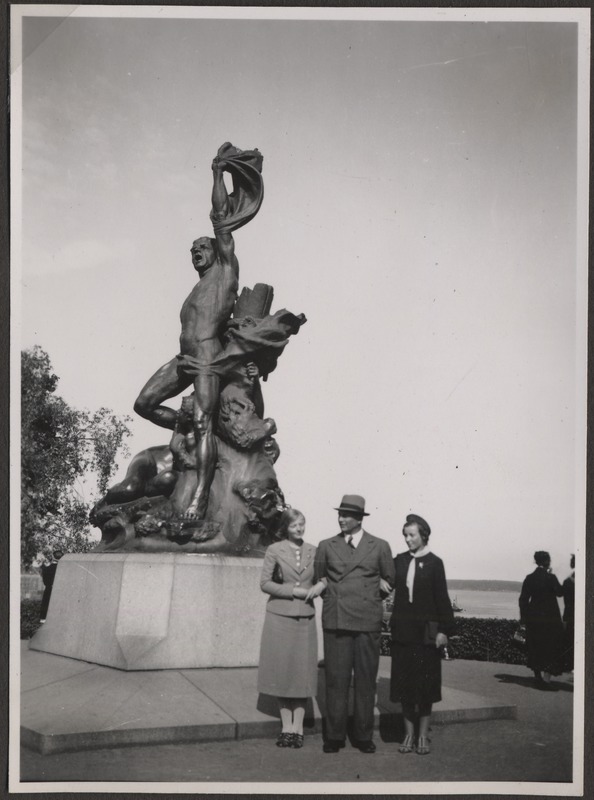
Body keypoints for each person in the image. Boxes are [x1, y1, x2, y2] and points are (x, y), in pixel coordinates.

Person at [134, 143, 264, 519]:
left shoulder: (225, 271)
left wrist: (217, 173)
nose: (196, 250)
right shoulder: (196, 288)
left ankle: (200, 496)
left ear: (216, 250)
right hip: (184, 359)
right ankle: (185, 425)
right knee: (143, 404)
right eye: (192, 249)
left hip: (208, 359)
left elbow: (220, 215)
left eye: (201, 246)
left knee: (205, 425)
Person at [314, 494, 395, 754]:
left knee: (365, 680)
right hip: (337, 619)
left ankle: (363, 736)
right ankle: (334, 736)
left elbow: (390, 578)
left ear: (359, 518)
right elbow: (320, 578)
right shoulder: (326, 546)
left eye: (346, 515)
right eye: (339, 514)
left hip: (367, 620)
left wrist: (381, 587)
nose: (341, 519)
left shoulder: (380, 546)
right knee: (336, 680)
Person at [257, 509, 326, 748]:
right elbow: (265, 583)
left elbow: (326, 577)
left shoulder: (315, 551)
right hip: (279, 617)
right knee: (283, 672)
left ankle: (298, 728)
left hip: (305, 618)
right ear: (286, 527)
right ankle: (286, 727)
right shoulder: (274, 550)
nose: (299, 528)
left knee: (302, 673)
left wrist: (320, 585)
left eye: (302, 524)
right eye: (295, 525)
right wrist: (292, 591)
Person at [389, 514, 454, 756]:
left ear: (423, 535)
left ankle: (423, 735)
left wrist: (444, 631)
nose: (407, 539)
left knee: (425, 686)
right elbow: (385, 583)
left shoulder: (436, 563)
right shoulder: (399, 561)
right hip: (403, 633)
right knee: (405, 686)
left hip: (427, 635)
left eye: (412, 535)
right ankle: (408, 733)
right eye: (405, 535)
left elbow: (442, 599)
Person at [519, 551, 564, 688]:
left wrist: (524, 618)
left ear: (536, 561)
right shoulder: (551, 577)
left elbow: (523, 600)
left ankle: (537, 676)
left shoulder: (530, 578)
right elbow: (560, 593)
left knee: (535, 647)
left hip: (534, 618)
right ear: (547, 561)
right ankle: (546, 679)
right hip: (550, 618)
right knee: (551, 647)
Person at [39, 549, 64, 622]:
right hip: (60, 592)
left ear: (53, 557)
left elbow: (45, 582)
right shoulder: (63, 569)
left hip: (49, 591)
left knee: (46, 611)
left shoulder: (46, 569)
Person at [562, 554, 575, 672]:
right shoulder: (569, 580)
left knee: (569, 641)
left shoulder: (568, 581)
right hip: (571, 615)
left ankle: (570, 665)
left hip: (569, 615)